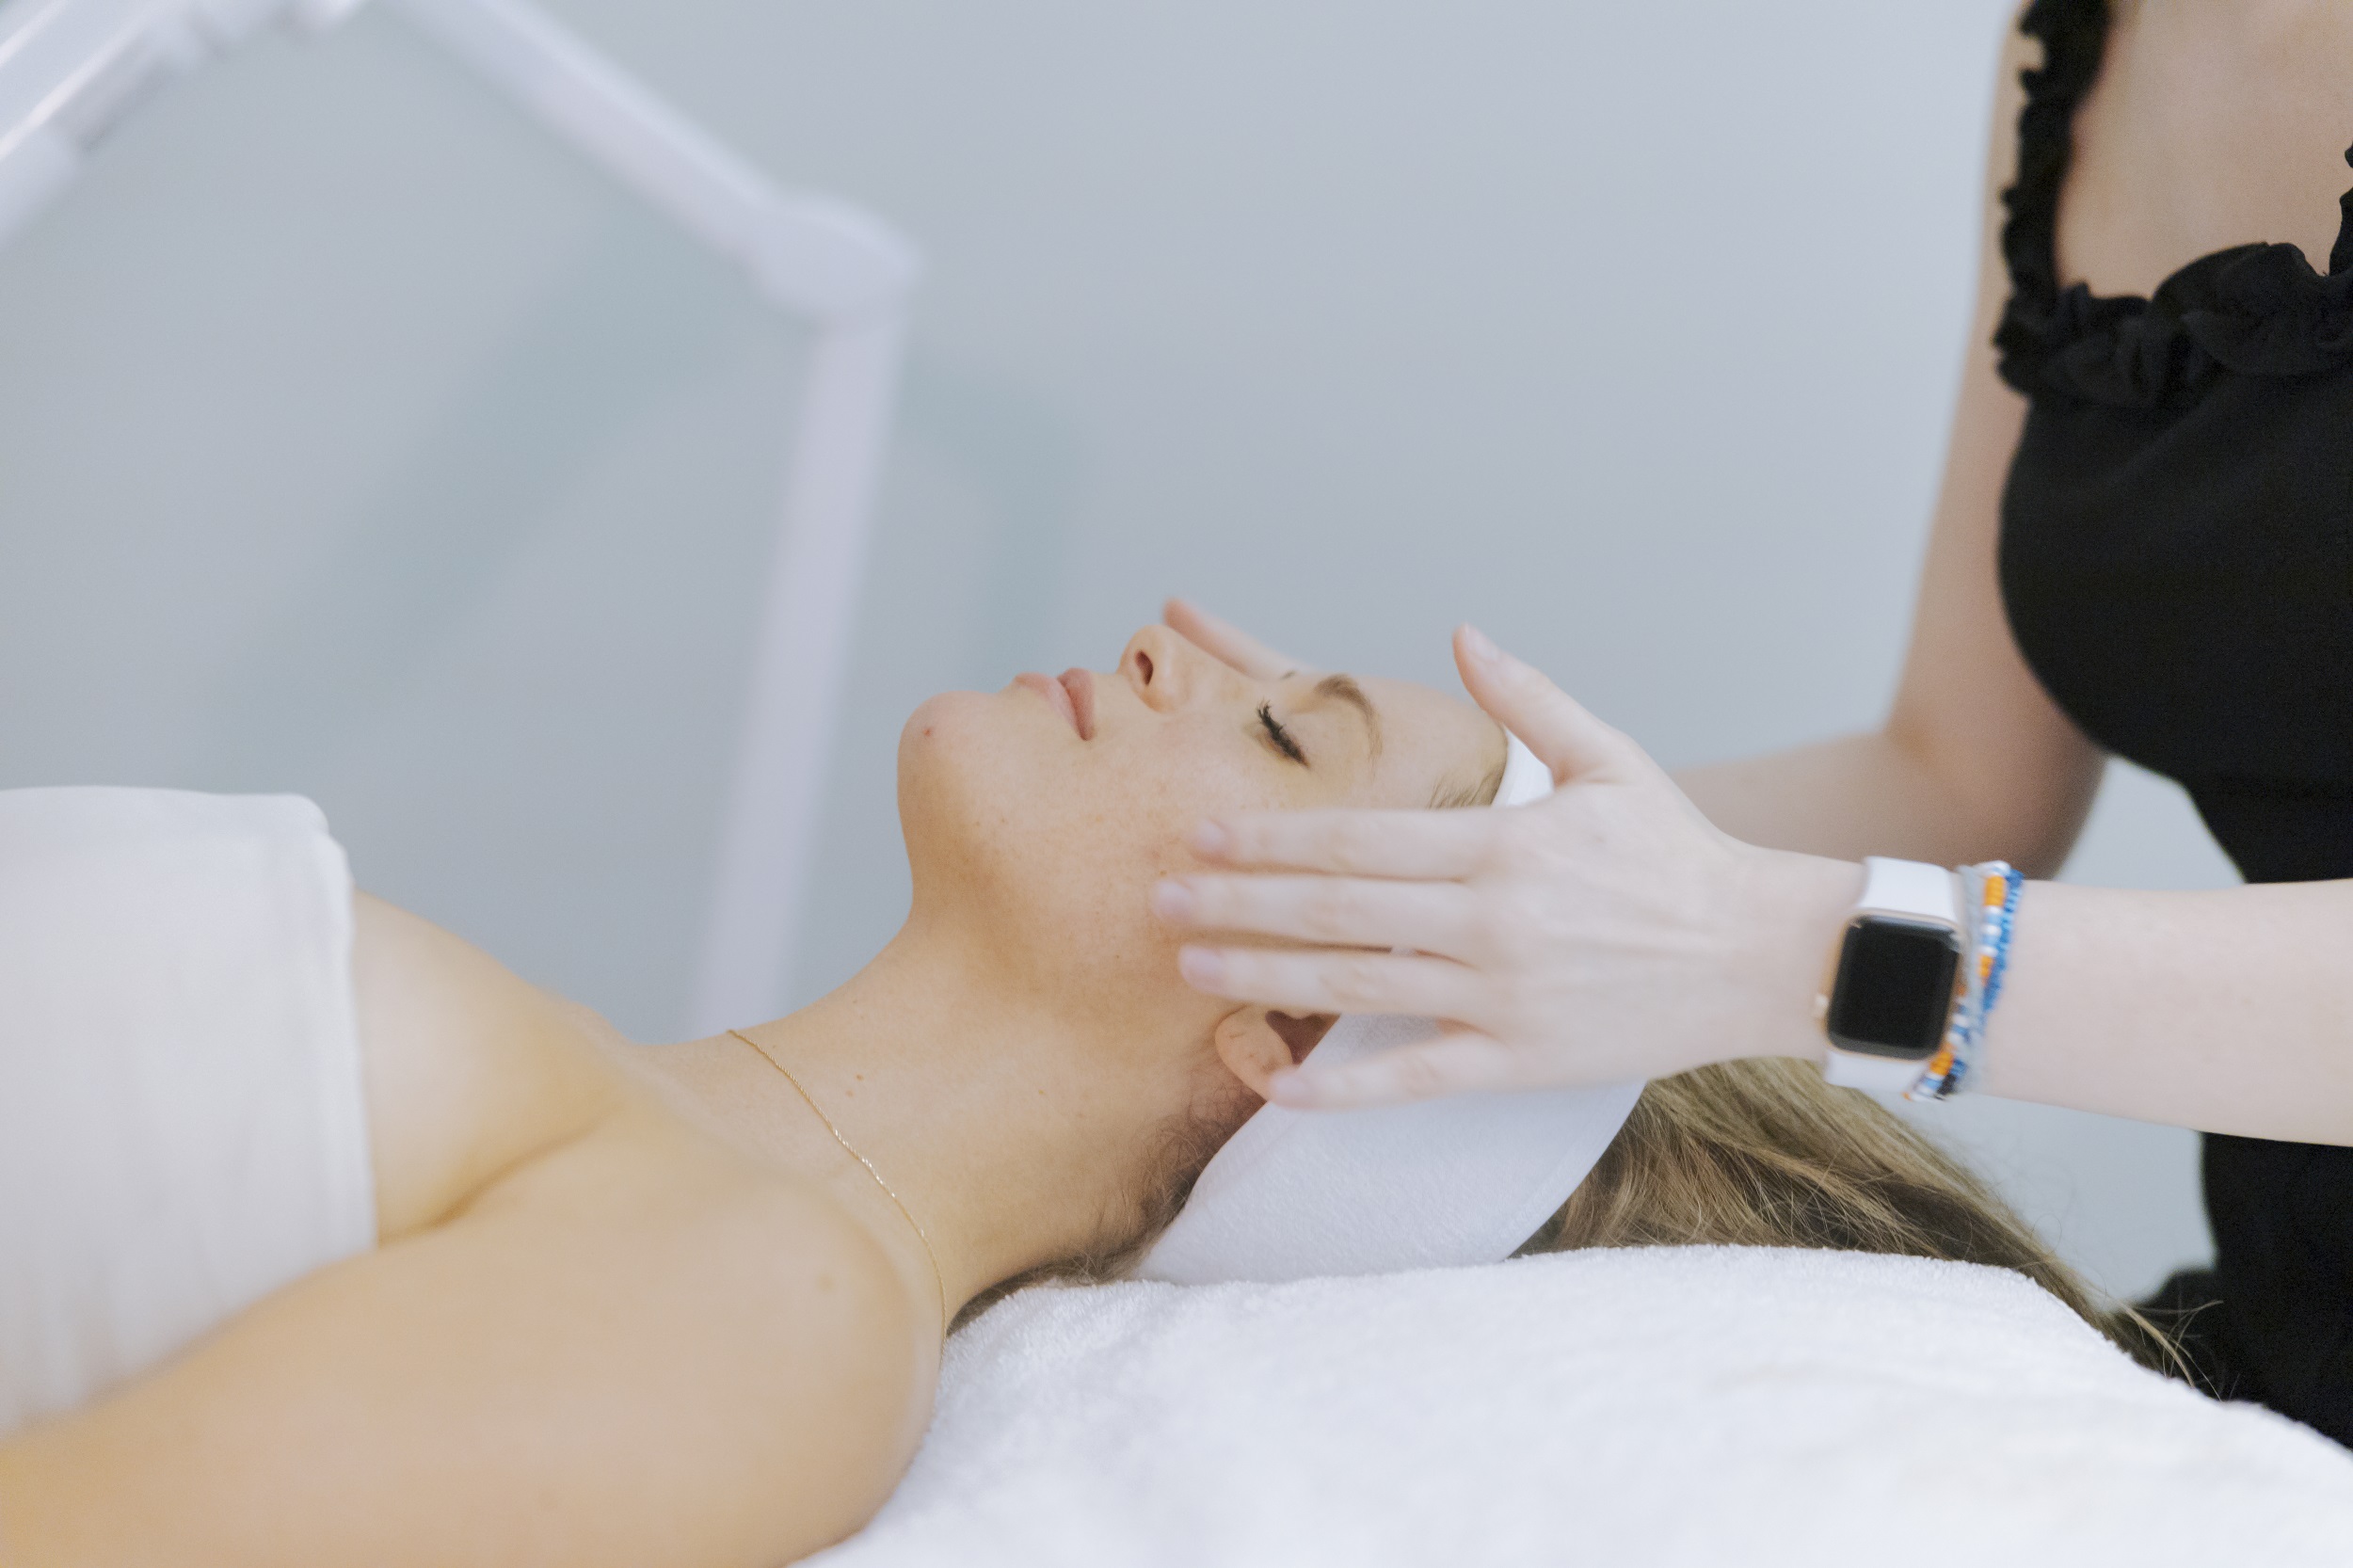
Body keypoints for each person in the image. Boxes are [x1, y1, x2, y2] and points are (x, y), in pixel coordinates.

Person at [0, 616, 2164, 1566]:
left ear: (1291, 1040)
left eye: (1282, 731)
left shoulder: (775, 1307)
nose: (1173, 640)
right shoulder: (638, 1137)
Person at [1151, 0, 2353, 1450]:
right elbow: (1956, 779)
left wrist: (1778, 950)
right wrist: (1400, 834)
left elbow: (1771, 929)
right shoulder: (2086, 48)